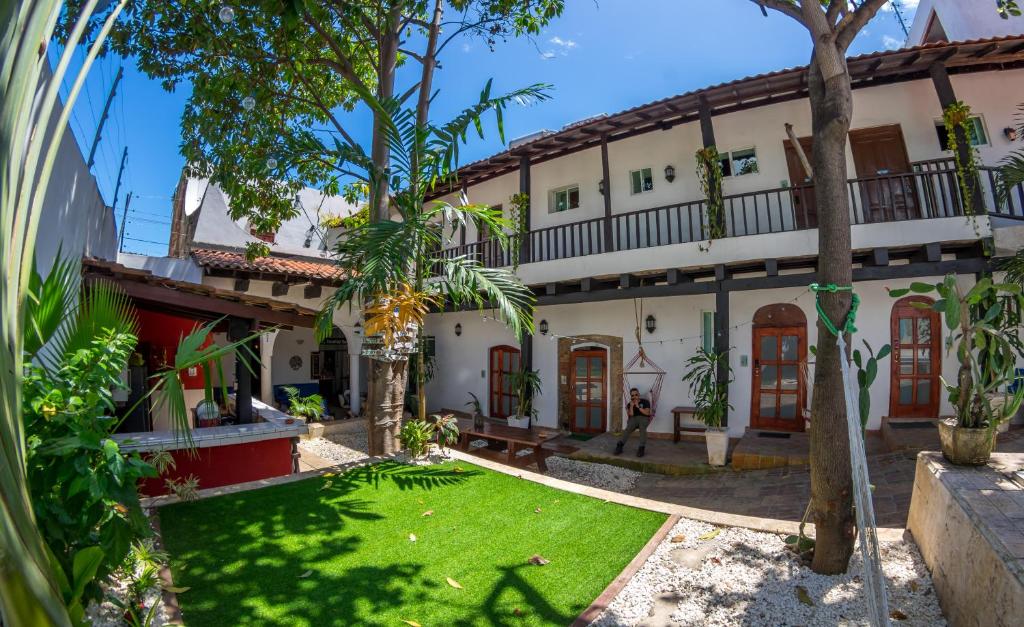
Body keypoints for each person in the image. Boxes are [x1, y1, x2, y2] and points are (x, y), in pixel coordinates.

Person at [615, 387, 651, 457]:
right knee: (627, 429)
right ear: (631, 396)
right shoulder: (629, 404)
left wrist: (638, 406)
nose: (634, 397)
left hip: (644, 418)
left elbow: (647, 413)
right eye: (632, 395)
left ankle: (641, 447)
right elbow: (631, 414)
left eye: (636, 395)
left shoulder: (645, 402)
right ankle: (620, 445)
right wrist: (631, 406)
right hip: (633, 418)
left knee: (642, 429)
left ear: (639, 394)